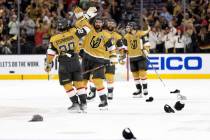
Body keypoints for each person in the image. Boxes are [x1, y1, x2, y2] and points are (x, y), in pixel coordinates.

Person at [44, 17, 91, 112]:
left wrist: (48, 64)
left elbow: (50, 53)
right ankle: (84, 104)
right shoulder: (74, 32)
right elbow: (88, 28)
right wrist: (84, 18)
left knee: (67, 84)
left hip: (64, 63)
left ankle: (75, 104)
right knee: (79, 83)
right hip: (76, 61)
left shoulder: (54, 38)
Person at [78, 17, 117, 108]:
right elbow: (79, 24)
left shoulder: (106, 35)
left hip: (99, 61)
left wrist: (113, 58)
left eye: (100, 22)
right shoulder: (89, 30)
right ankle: (83, 102)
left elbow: (112, 48)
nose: (98, 24)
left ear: (103, 24)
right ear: (94, 23)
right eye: (97, 22)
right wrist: (86, 16)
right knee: (83, 81)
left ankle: (104, 101)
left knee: (97, 81)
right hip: (86, 59)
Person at [87, 18, 123, 100]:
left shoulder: (118, 36)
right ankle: (92, 92)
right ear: (105, 24)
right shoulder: (100, 33)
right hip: (99, 58)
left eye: (112, 23)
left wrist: (122, 54)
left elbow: (121, 48)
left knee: (110, 77)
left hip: (110, 59)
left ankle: (110, 93)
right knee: (94, 77)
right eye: (109, 23)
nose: (110, 25)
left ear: (115, 25)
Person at [120, 21, 150, 98]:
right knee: (135, 75)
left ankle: (145, 89)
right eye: (127, 27)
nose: (127, 28)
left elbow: (147, 43)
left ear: (133, 27)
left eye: (129, 27)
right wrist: (123, 55)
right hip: (132, 57)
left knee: (142, 74)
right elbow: (125, 47)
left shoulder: (141, 34)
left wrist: (146, 51)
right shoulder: (126, 36)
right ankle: (139, 90)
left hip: (141, 57)